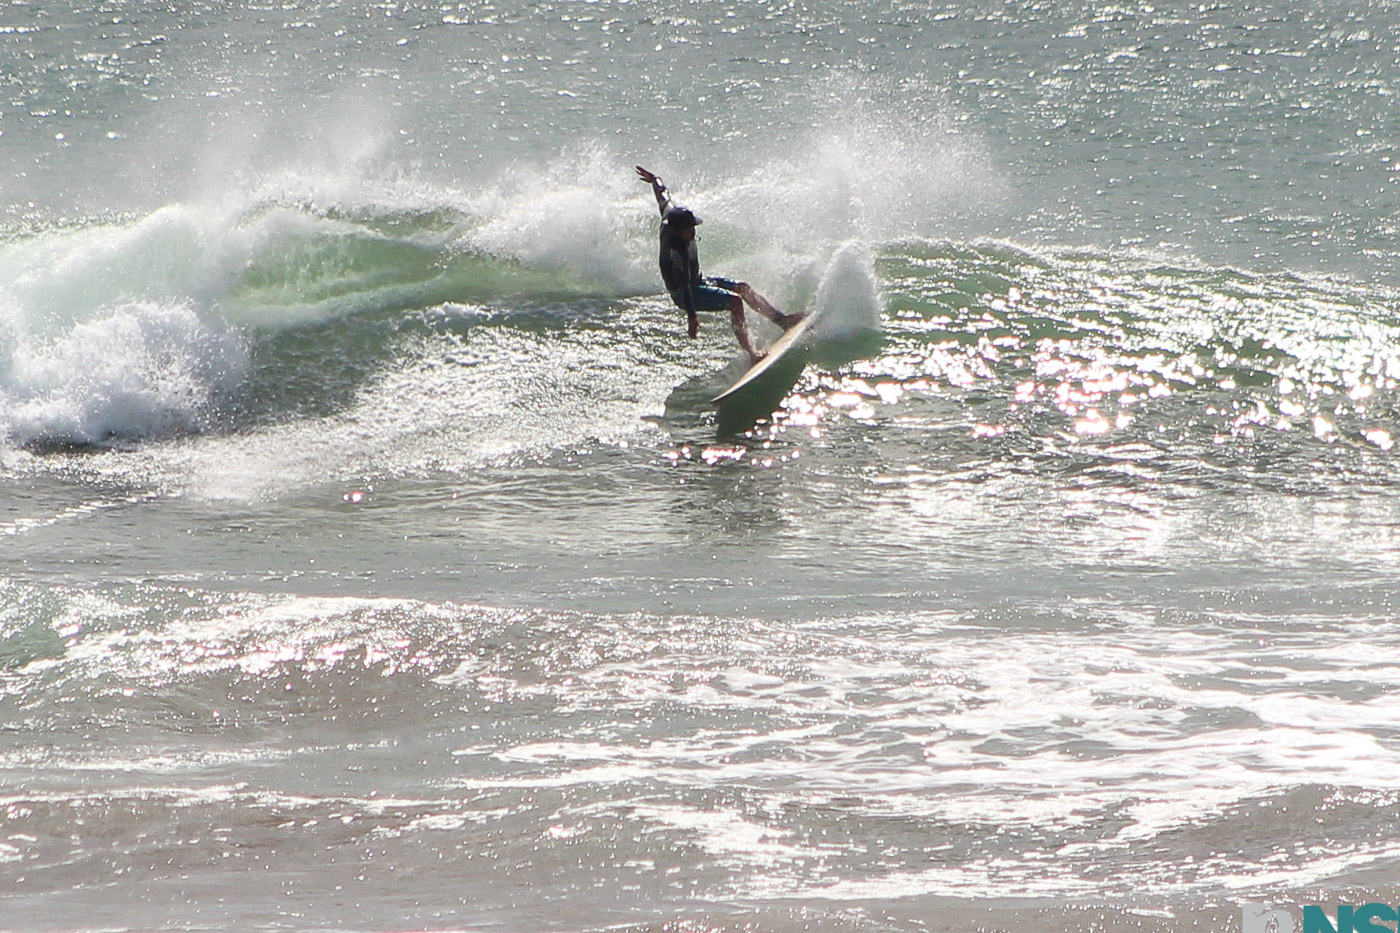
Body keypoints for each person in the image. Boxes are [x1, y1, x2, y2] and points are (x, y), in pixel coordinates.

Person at [635, 165, 802, 364]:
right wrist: (691, 316)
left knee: (743, 288)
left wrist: (655, 179)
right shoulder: (676, 251)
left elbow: (663, 196)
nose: (693, 232)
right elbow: (685, 286)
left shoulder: (669, 216)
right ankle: (752, 354)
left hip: (699, 280)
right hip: (684, 292)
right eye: (688, 229)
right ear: (676, 231)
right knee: (735, 301)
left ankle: (781, 320)